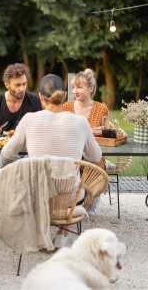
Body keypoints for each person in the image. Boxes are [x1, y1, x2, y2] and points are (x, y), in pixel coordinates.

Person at [0, 74, 102, 249]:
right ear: (64, 96)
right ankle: (62, 235)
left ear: (40, 96)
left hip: (36, 197)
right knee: (72, 184)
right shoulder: (81, 122)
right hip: (70, 200)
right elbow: (96, 157)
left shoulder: (29, 119)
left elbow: (6, 154)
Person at [62, 68, 111, 216]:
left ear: (90, 89)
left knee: (96, 162)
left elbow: (106, 137)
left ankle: (93, 196)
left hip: (92, 154)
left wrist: (98, 132)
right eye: (73, 88)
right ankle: (72, 199)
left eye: (79, 87)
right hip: (72, 153)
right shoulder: (66, 107)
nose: (75, 91)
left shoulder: (101, 108)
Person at [0, 63, 42, 168]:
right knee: (9, 162)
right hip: (6, 150)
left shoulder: (35, 101)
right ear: (7, 85)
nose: (22, 89)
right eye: (17, 85)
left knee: (32, 163)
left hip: (29, 151)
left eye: (24, 84)